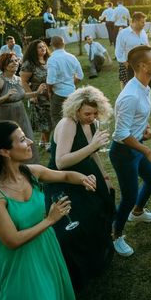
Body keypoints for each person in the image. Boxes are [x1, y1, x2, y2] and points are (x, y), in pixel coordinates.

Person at [0, 121, 97, 300]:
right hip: (18, 261)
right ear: (4, 151)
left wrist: (83, 178)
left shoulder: (30, 172)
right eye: (22, 140)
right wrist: (50, 220)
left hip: (44, 249)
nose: (30, 141)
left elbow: (65, 175)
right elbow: (12, 241)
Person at [47, 86, 115, 289]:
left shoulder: (92, 123)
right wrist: (93, 146)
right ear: (76, 110)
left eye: (95, 113)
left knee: (98, 213)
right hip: (64, 181)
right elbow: (61, 162)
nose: (91, 117)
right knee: (76, 225)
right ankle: (75, 271)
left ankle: (95, 260)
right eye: (87, 113)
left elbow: (93, 154)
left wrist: (103, 174)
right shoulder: (68, 124)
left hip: (89, 175)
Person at [109, 45, 151, 257]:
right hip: (123, 153)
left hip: (135, 146)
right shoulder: (130, 95)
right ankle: (116, 234)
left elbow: (136, 121)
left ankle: (137, 212)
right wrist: (147, 151)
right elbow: (121, 134)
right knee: (128, 196)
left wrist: (144, 130)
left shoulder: (145, 86)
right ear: (142, 66)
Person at [0, 52, 45, 164]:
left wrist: (36, 93)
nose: (15, 63)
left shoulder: (18, 79)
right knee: (7, 142)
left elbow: (21, 95)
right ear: (4, 65)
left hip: (20, 113)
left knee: (24, 138)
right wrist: (5, 96)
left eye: (16, 60)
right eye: (11, 61)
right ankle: (6, 166)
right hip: (4, 115)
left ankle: (26, 165)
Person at [21, 40, 53, 149]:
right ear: (34, 50)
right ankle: (48, 143)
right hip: (39, 95)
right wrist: (32, 95)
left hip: (52, 93)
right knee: (45, 119)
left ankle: (42, 140)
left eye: (44, 46)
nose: (43, 48)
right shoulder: (29, 64)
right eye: (40, 47)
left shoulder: (49, 59)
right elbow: (24, 81)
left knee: (51, 117)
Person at [46, 35, 84, 127]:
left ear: (51, 45)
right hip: (72, 92)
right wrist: (72, 83)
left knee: (58, 120)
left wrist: (49, 92)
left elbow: (50, 80)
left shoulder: (52, 59)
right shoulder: (72, 57)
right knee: (74, 119)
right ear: (64, 43)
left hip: (58, 93)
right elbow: (80, 75)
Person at [115, 11, 149, 87]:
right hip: (128, 66)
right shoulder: (123, 33)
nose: (144, 24)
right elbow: (118, 51)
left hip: (142, 66)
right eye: (142, 22)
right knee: (129, 88)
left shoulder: (143, 33)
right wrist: (125, 63)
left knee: (143, 87)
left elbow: (147, 47)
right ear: (135, 21)